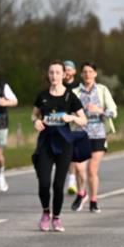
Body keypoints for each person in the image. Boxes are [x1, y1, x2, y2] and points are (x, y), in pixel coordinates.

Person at [33, 62, 88, 231]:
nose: (54, 76)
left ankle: (56, 217)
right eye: (51, 72)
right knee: (44, 182)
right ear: (48, 74)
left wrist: (72, 118)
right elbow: (34, 115)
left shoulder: (70, 97)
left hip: (64, 144)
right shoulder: (42, 96)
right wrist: (36, 122)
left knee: (58, 185)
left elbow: (83, 120)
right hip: (45, 143)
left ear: (64, 75)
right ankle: (45, 212)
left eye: (57, 72)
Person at [71, 62, 117, 213]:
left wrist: (100, 110)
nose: (87, 74)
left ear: (95, 74)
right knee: (79, 168)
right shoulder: (75, 92)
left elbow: (113, 111)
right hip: (80, 134)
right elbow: (69, 111)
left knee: (92, 170)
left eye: (90, 71)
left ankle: (93, 200)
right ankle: (81, 193)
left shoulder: (102, 90)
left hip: (98, 134)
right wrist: (76, 115)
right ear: (81, 74)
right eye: (85, 72)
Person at [62, 60, 80, 194]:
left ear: (74, 71)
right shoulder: (58, 87)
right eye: (64, 70)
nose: (66, 73)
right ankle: (72, 179)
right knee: (68, 154)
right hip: (63, 125)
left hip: (78, 124)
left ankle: (75, 180)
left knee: (77, 155)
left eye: (69, 70)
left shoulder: (79, 87)